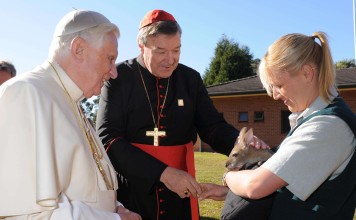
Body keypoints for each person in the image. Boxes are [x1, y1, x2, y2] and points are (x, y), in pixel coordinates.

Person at [96, 9, 268, 220]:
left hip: (180, 190)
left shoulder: (190, 79)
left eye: (177, 50)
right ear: (141, 46)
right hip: (133, 187)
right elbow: (107, 138)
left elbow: (212, 126)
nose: (170, 59)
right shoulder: (119, 77)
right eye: (161, 51)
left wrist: (240, 143)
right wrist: (162, 173)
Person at [0, 9, 141, 220]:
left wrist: (115, 207)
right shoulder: (25, 93)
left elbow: (83, 187)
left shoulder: (71, 101)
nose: (114, 72)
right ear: (79, 49)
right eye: (110, 59)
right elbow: (25, 214)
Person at [200, 32, 356, 219]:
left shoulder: (326, 127)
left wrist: (228, 178)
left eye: (278, 85)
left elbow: (255, 186)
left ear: (307, 73)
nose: (274, 95)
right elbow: (287, 187)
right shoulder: (316, 120)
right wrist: (228, 193)